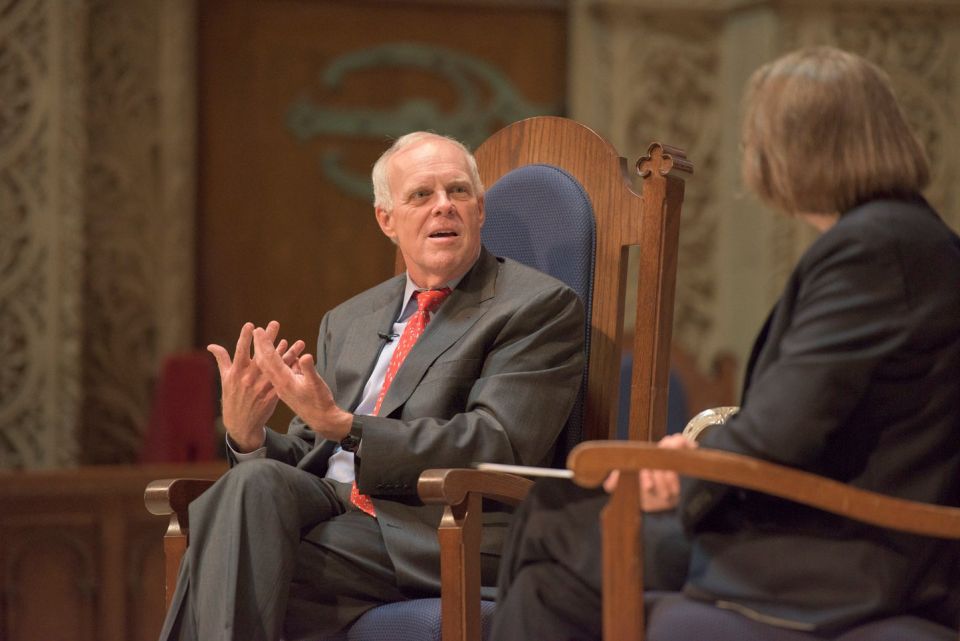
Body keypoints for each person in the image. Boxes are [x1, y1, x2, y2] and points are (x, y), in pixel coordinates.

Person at [491, 45, 960, 640]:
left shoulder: (874, 251)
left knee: (554, 526)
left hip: (845, 554)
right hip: (844, 529)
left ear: (795, 146)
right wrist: (693, 463)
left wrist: (679, 476)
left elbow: (786, 428)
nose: (748, 153)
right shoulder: (908, 237)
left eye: (755, 137)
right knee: (557, 531)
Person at [158, 132, 586, 641]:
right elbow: (312, 449)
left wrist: (347, 426)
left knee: (228, 550)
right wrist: (247, 436)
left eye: (458, 192)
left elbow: (497, 442)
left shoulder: (536, 307)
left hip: (443, 524)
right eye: (421, 195)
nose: (443, 207)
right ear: (387, 220)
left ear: (480, 210)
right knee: (250, 484)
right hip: (336, 510)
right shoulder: (350, 319)